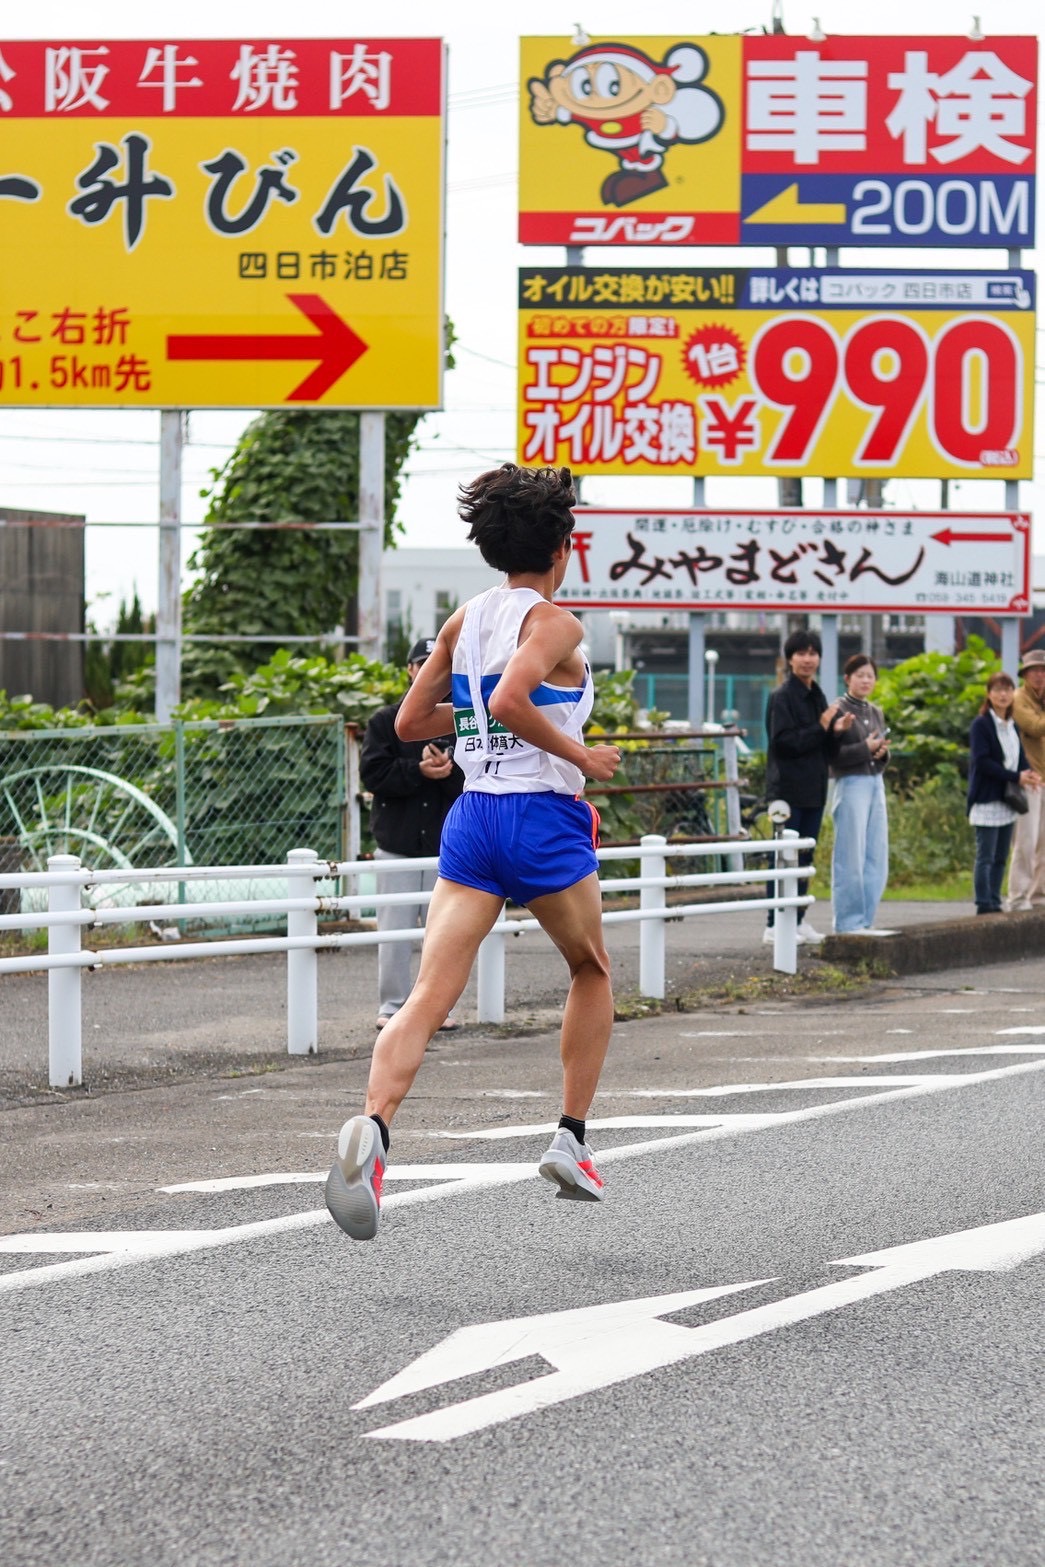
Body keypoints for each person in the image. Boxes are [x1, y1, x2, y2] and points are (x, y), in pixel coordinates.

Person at [325, 464, 621, 1242]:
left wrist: (473, 735)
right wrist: (581, 757)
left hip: (473, 815)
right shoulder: (555, 623)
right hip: (542, 817)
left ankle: (374, 1130)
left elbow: (410, 720)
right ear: (563, 546)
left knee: (428, 992)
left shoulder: (464, 619)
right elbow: (508, 699)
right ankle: (570, 1138)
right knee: (589, 967)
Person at [359, 638, 464, 1033]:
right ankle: (392, 1005)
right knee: (395, 931)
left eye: (438, 663)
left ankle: (438, 1008)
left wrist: (448, 769)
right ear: (410, 670)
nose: (429, 670)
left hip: (445, 846)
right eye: (423, 663)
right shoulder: (386, 721)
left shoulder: (462, 719)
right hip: (398, 844)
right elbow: (373, 774)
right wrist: (418, 771)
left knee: (445, 936)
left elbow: (475, 777)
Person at [763, 629, 853, 945]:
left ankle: (798, 919)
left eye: (813, 653)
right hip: (786, 790)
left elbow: (825, 748)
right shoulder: (782, 696)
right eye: (801, 653)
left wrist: (837, 731)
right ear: (790, 658)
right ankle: (774, 924)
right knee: (782, 857)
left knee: (804, 857)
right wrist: (822, 726)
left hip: (814, 788)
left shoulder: (818, 695)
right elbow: (784, 743)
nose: (807, 659)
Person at [967, 672, 1041, 916]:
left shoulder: (1011, 725)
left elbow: (1019, 758)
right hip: (987, 797)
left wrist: (1028, 774)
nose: (1003, 695)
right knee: (985, 856)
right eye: (997, 690)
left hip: (1007, 800)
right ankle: (983, 903)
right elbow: (983, 761)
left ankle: (995, 901)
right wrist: (1016, 777)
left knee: (1000, 856)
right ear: (989, 694)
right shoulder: (981, 724)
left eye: (1007, 690)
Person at [829, 654, 893, 935]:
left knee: (876, 853)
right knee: (850, 854)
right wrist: (865, 749)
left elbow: (876, 753)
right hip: (851, 782)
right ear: (847, 678)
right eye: (860, 675)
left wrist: (881, 752)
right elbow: (833, 756)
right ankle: (847, 922)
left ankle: (866, 919)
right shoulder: (837, 710)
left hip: (874, 781)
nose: (866, 680)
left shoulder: (875, 711)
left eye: (870, 675)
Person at [1006, 649, 1045, 910]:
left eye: (1043, 670)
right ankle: (1018, 897)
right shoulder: (1019, 698)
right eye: (1034, 671)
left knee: (1044, 843)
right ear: (1025, 674)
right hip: (1029, 778)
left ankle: (1039, 896)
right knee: (1026, 841)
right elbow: (1035, 727)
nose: (1040, 675)